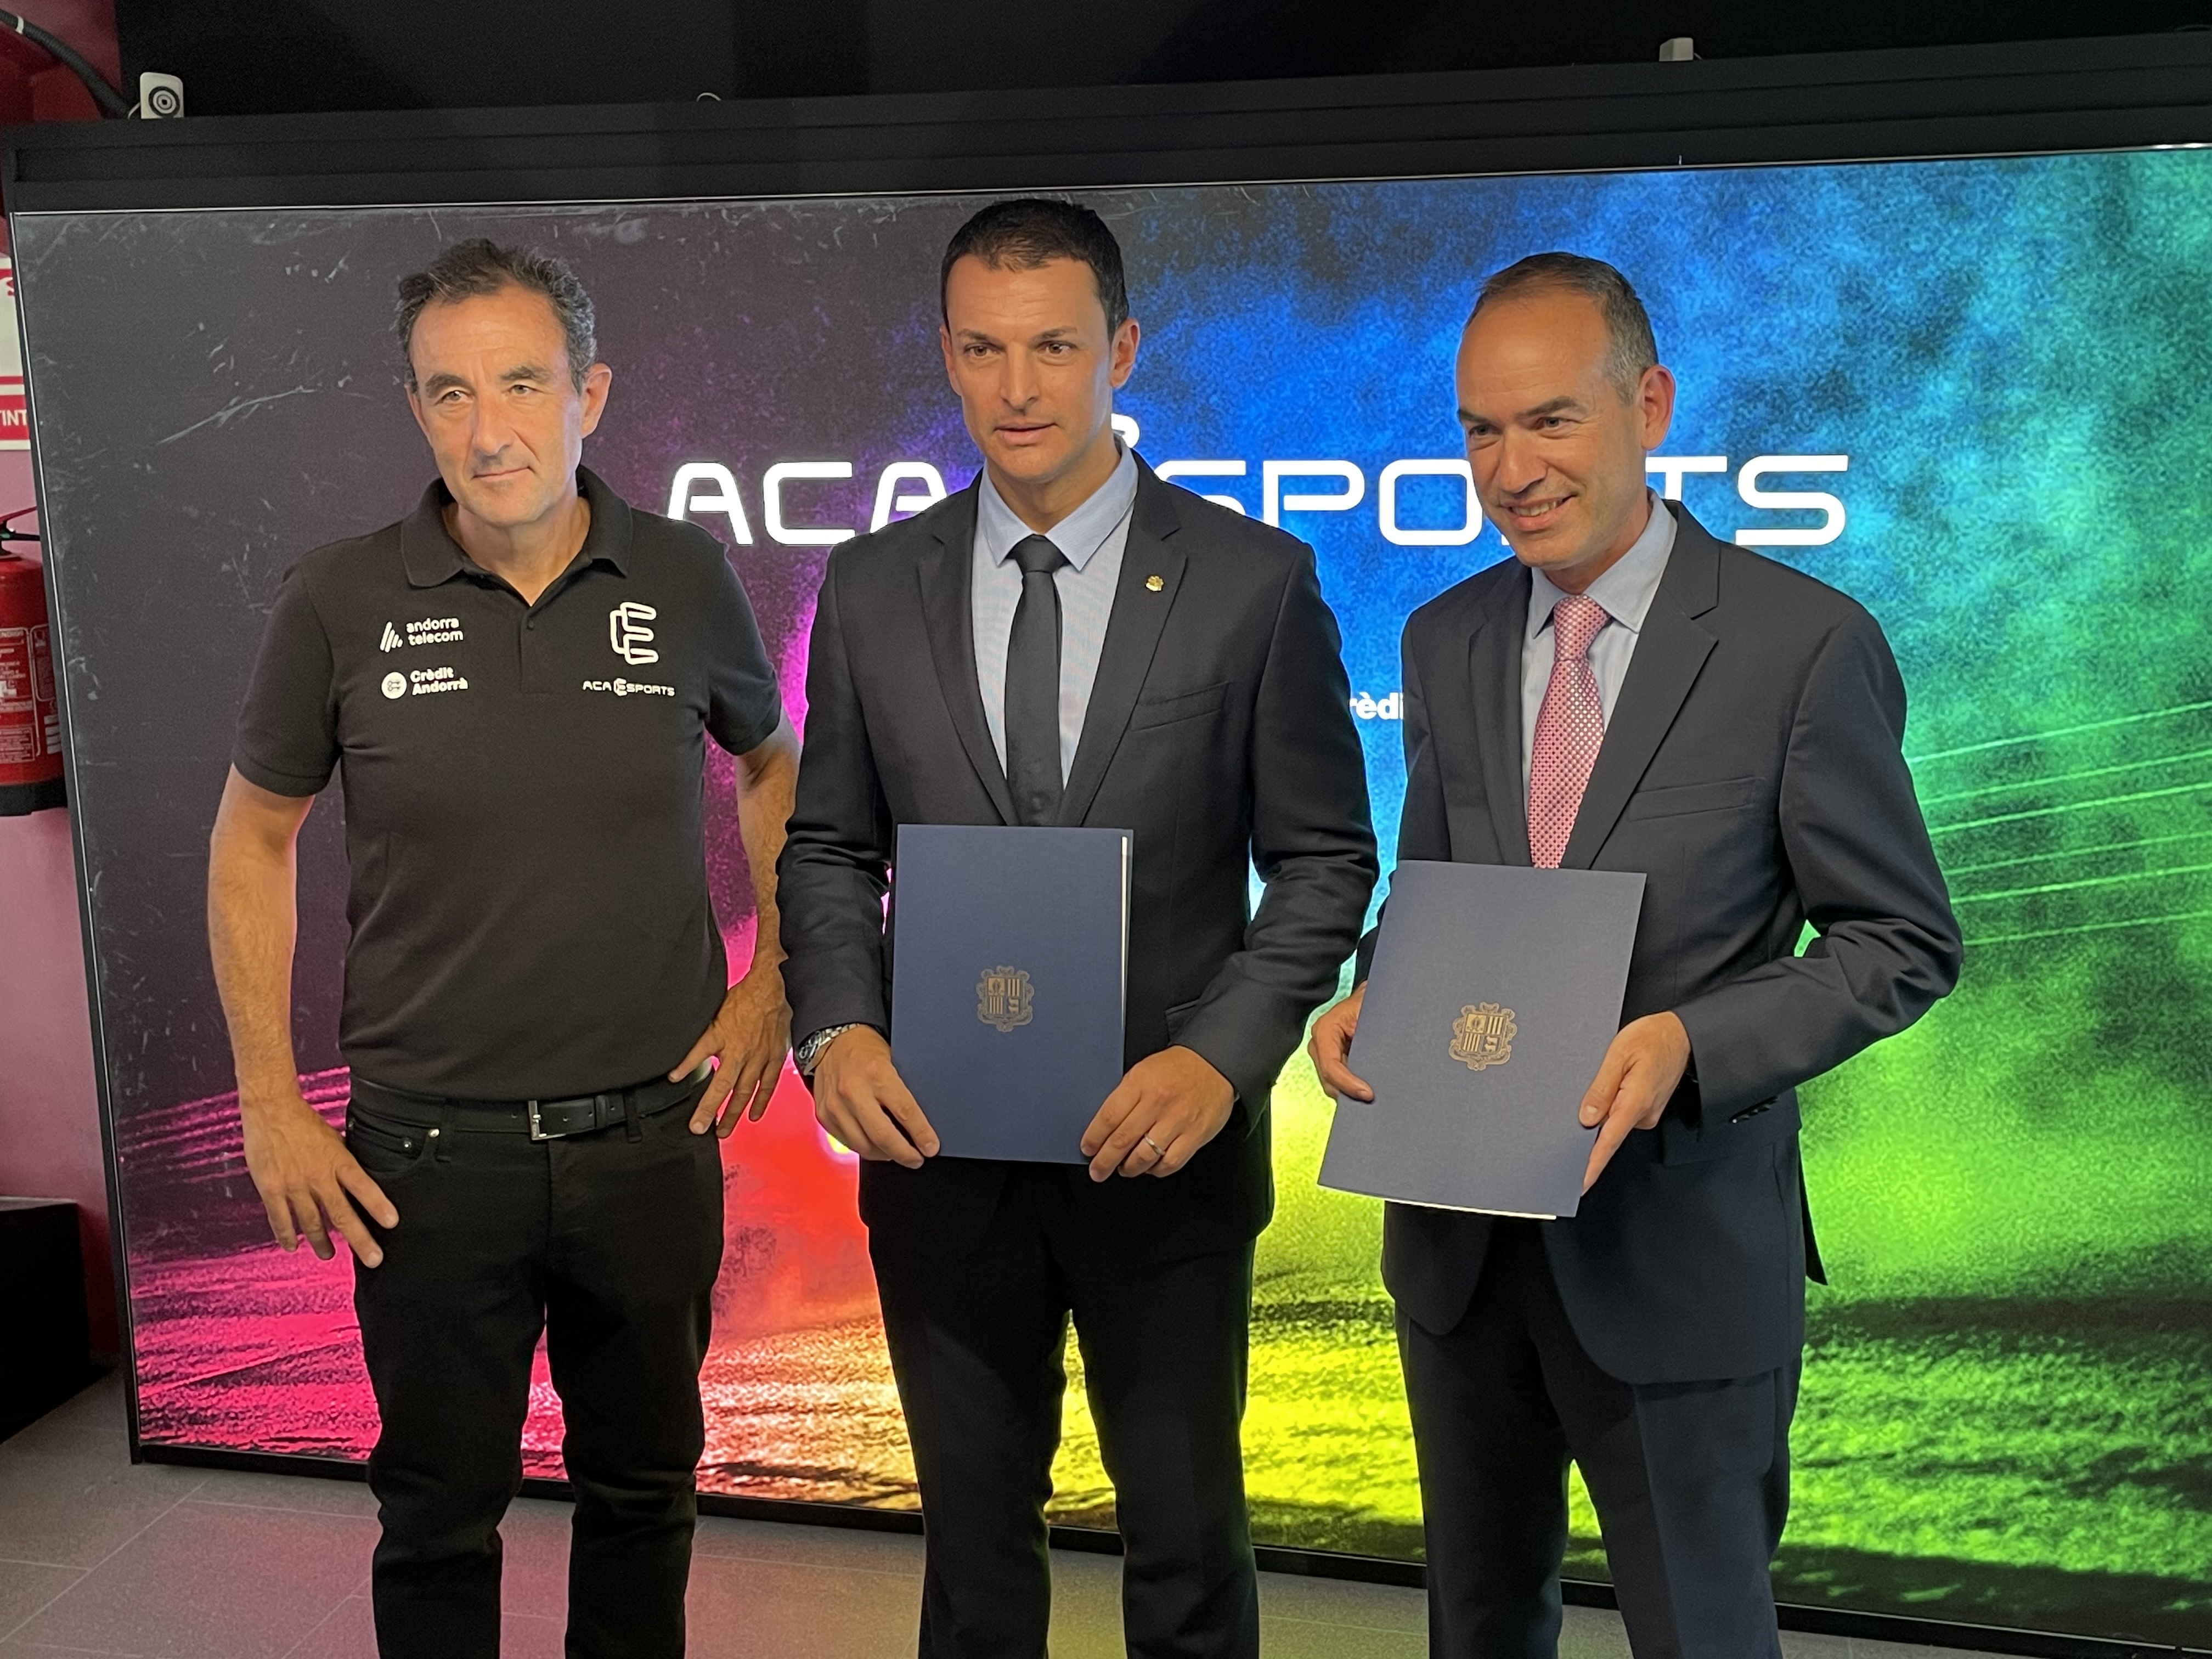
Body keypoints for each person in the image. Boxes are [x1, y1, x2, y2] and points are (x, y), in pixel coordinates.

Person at [1310, 252, 1962, 1658]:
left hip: (1680, 1256)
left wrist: (1691, 1046)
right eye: (1483, 430)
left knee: (1701, 1634)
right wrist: (1374, 992)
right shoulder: (1443, 638)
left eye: (1552, 420)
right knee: (1479, 1629)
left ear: (1650, 404)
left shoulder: (1805, 645)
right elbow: (1435, 891)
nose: (1512, 469)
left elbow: (1902, 942)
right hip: (1461, 1250)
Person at [776, 198, 1376, 1659]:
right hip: (939, 1155)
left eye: (1053, 347)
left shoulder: (1253, 581)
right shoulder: (871, 585)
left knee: (1187, 1551)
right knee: (974, 1562)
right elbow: (830, 845)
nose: (1019, 387)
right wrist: (836, 1027)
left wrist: (1220, 1060)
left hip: (1161, 1155)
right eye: (984, 349)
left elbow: (1323, 864)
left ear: (1121, 348)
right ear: (947, 354)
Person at [206, 237, 799, 1659]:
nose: (490, 431)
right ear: (416, 409)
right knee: (435, 1517)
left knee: (644, 1496)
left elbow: (774, 767)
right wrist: (269, 1100)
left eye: (523, 385)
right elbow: (251, 840)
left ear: (589, 393)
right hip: (425, 1160)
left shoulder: (683, 574)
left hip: (649, 1141)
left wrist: (775, 977)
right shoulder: (337, 600)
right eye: (451, 392)